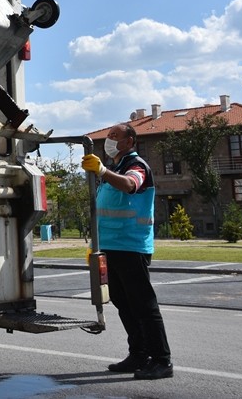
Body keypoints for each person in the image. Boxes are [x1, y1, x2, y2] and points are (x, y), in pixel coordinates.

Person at [82, 123, 173, 380]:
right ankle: (139, 354)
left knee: (143, 305)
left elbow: (130, 186)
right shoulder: (115, 167)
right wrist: (94, 247)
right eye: (108, 137)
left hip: (131, 247)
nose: (109, 141)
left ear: (130, 142)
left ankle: (162, 360)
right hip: (110, 246)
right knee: (124, 303)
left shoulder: (136, 166)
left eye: (115, 137)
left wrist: (101, 171)